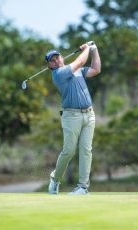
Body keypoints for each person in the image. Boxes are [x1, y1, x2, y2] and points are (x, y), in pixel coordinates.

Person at [45, 41, 101, 195]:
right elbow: (81, 60)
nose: (56, 60)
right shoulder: (58, 74)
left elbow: (96, 69)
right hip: (71, 116)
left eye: (57, 57)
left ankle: (83, 187)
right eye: (52, 60)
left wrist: (94, 50)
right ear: (50, 66)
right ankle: (55, 179)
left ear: (62, 57)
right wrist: (86, 49)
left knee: (86, 150)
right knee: (69, 150)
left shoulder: (76, 70)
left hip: (89, 114)